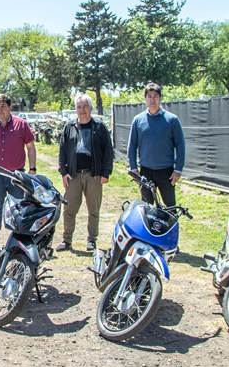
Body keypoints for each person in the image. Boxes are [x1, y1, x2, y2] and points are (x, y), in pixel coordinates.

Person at [0, 93, 37, 253]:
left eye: (3, 106)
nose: (0, 109)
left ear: (10, 107)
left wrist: (32, 169)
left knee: (18, 208)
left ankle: (17, 243)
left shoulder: (21, 125)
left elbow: (31, 147)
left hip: (16, 175)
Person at [56, 93, 114, 252]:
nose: (82, 110)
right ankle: (67, 241)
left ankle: (92, 240)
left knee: (93, 209)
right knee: (69, 209)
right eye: (79, 107)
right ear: (75, 109)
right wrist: (63, 172)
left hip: (94, 174)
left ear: (90, 108)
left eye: (85, 106)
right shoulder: (69, 127)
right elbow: (62, 150)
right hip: (73, 175)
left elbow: (108, 151)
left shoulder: (99, 126)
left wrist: (106, 173)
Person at [126, 82, 185, 207]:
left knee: (170, 207)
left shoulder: (172, 120)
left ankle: (171, 227)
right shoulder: (138, 120)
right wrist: (133, 168)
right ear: (145, 99)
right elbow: (132, 145)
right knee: (146, 208)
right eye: (149, 96)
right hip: (145, 172)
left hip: (167, 172)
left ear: (160, 98)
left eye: (155, 96)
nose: (152, 99)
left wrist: (178, 169)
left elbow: (180, 145)